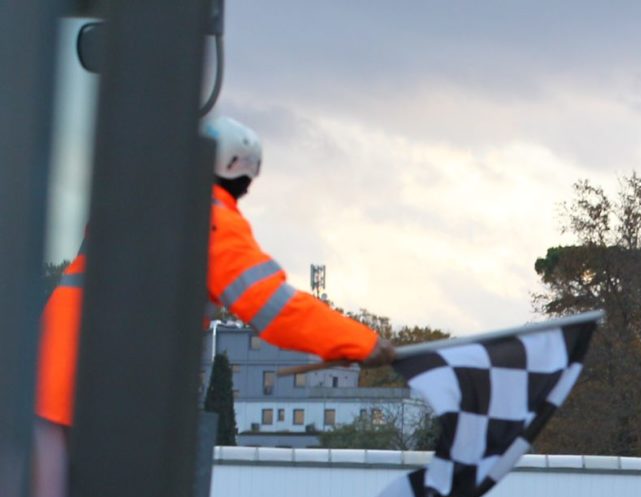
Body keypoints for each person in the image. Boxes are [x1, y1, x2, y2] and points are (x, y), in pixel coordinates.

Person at [35, 114, 396, 430]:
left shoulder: (138, 201)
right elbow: (276, 308)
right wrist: (362, 342)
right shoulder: (210, 223)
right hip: (100, 394)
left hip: (50, 378)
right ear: (246, 180)